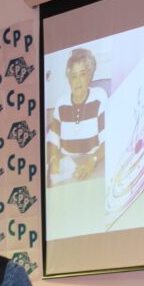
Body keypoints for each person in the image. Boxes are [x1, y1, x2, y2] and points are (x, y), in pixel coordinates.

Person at [47, 47, 107, 185]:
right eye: (74, 76)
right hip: (67, 170)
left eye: (82, 74)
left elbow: (107, 140)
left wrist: (92, 162)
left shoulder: (99, 97)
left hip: (93, 164)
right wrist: (54, 158)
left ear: (90, 76)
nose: (78, 81)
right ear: (69, 80)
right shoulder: (61, 102)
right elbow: (52, 139)